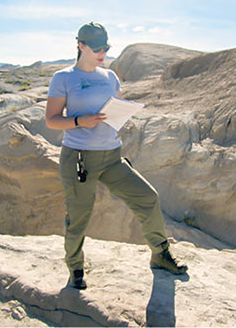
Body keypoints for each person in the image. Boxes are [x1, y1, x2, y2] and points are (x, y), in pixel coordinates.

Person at [46, 22, 188, 290]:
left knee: (148, 198)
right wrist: (79, 121)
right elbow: (52, 120)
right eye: (97, 47)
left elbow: (116, 106)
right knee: (78, 217)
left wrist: (123, 117)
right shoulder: (63, 77)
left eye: (106, 47)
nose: (103, 52)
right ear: (81, 46)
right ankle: (75, 269)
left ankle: (160, 255)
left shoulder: (110, 77)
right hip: (79, 159)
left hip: (112, 157)